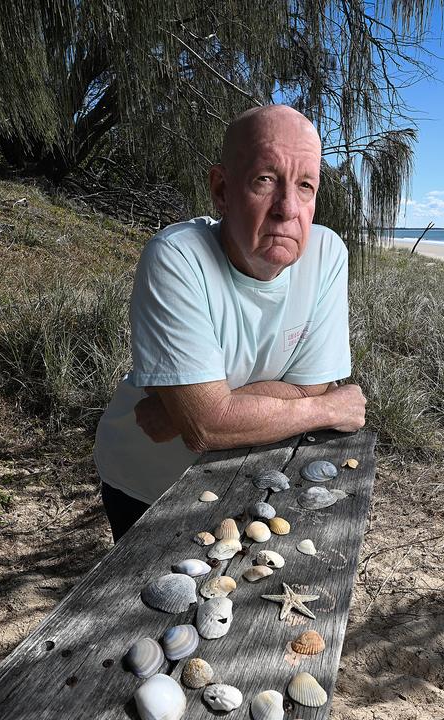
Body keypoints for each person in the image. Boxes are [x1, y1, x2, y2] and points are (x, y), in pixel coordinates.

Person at [92, 105, 367, 541]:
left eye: (305, 186)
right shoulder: (177, 257)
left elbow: (306, 384)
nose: (287, 209)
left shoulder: (326, 253)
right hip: (148, 482)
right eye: (265, 180)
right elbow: (207, 426)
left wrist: (189, 413)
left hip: (246, 471)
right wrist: (326, 408)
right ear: (221, 189)